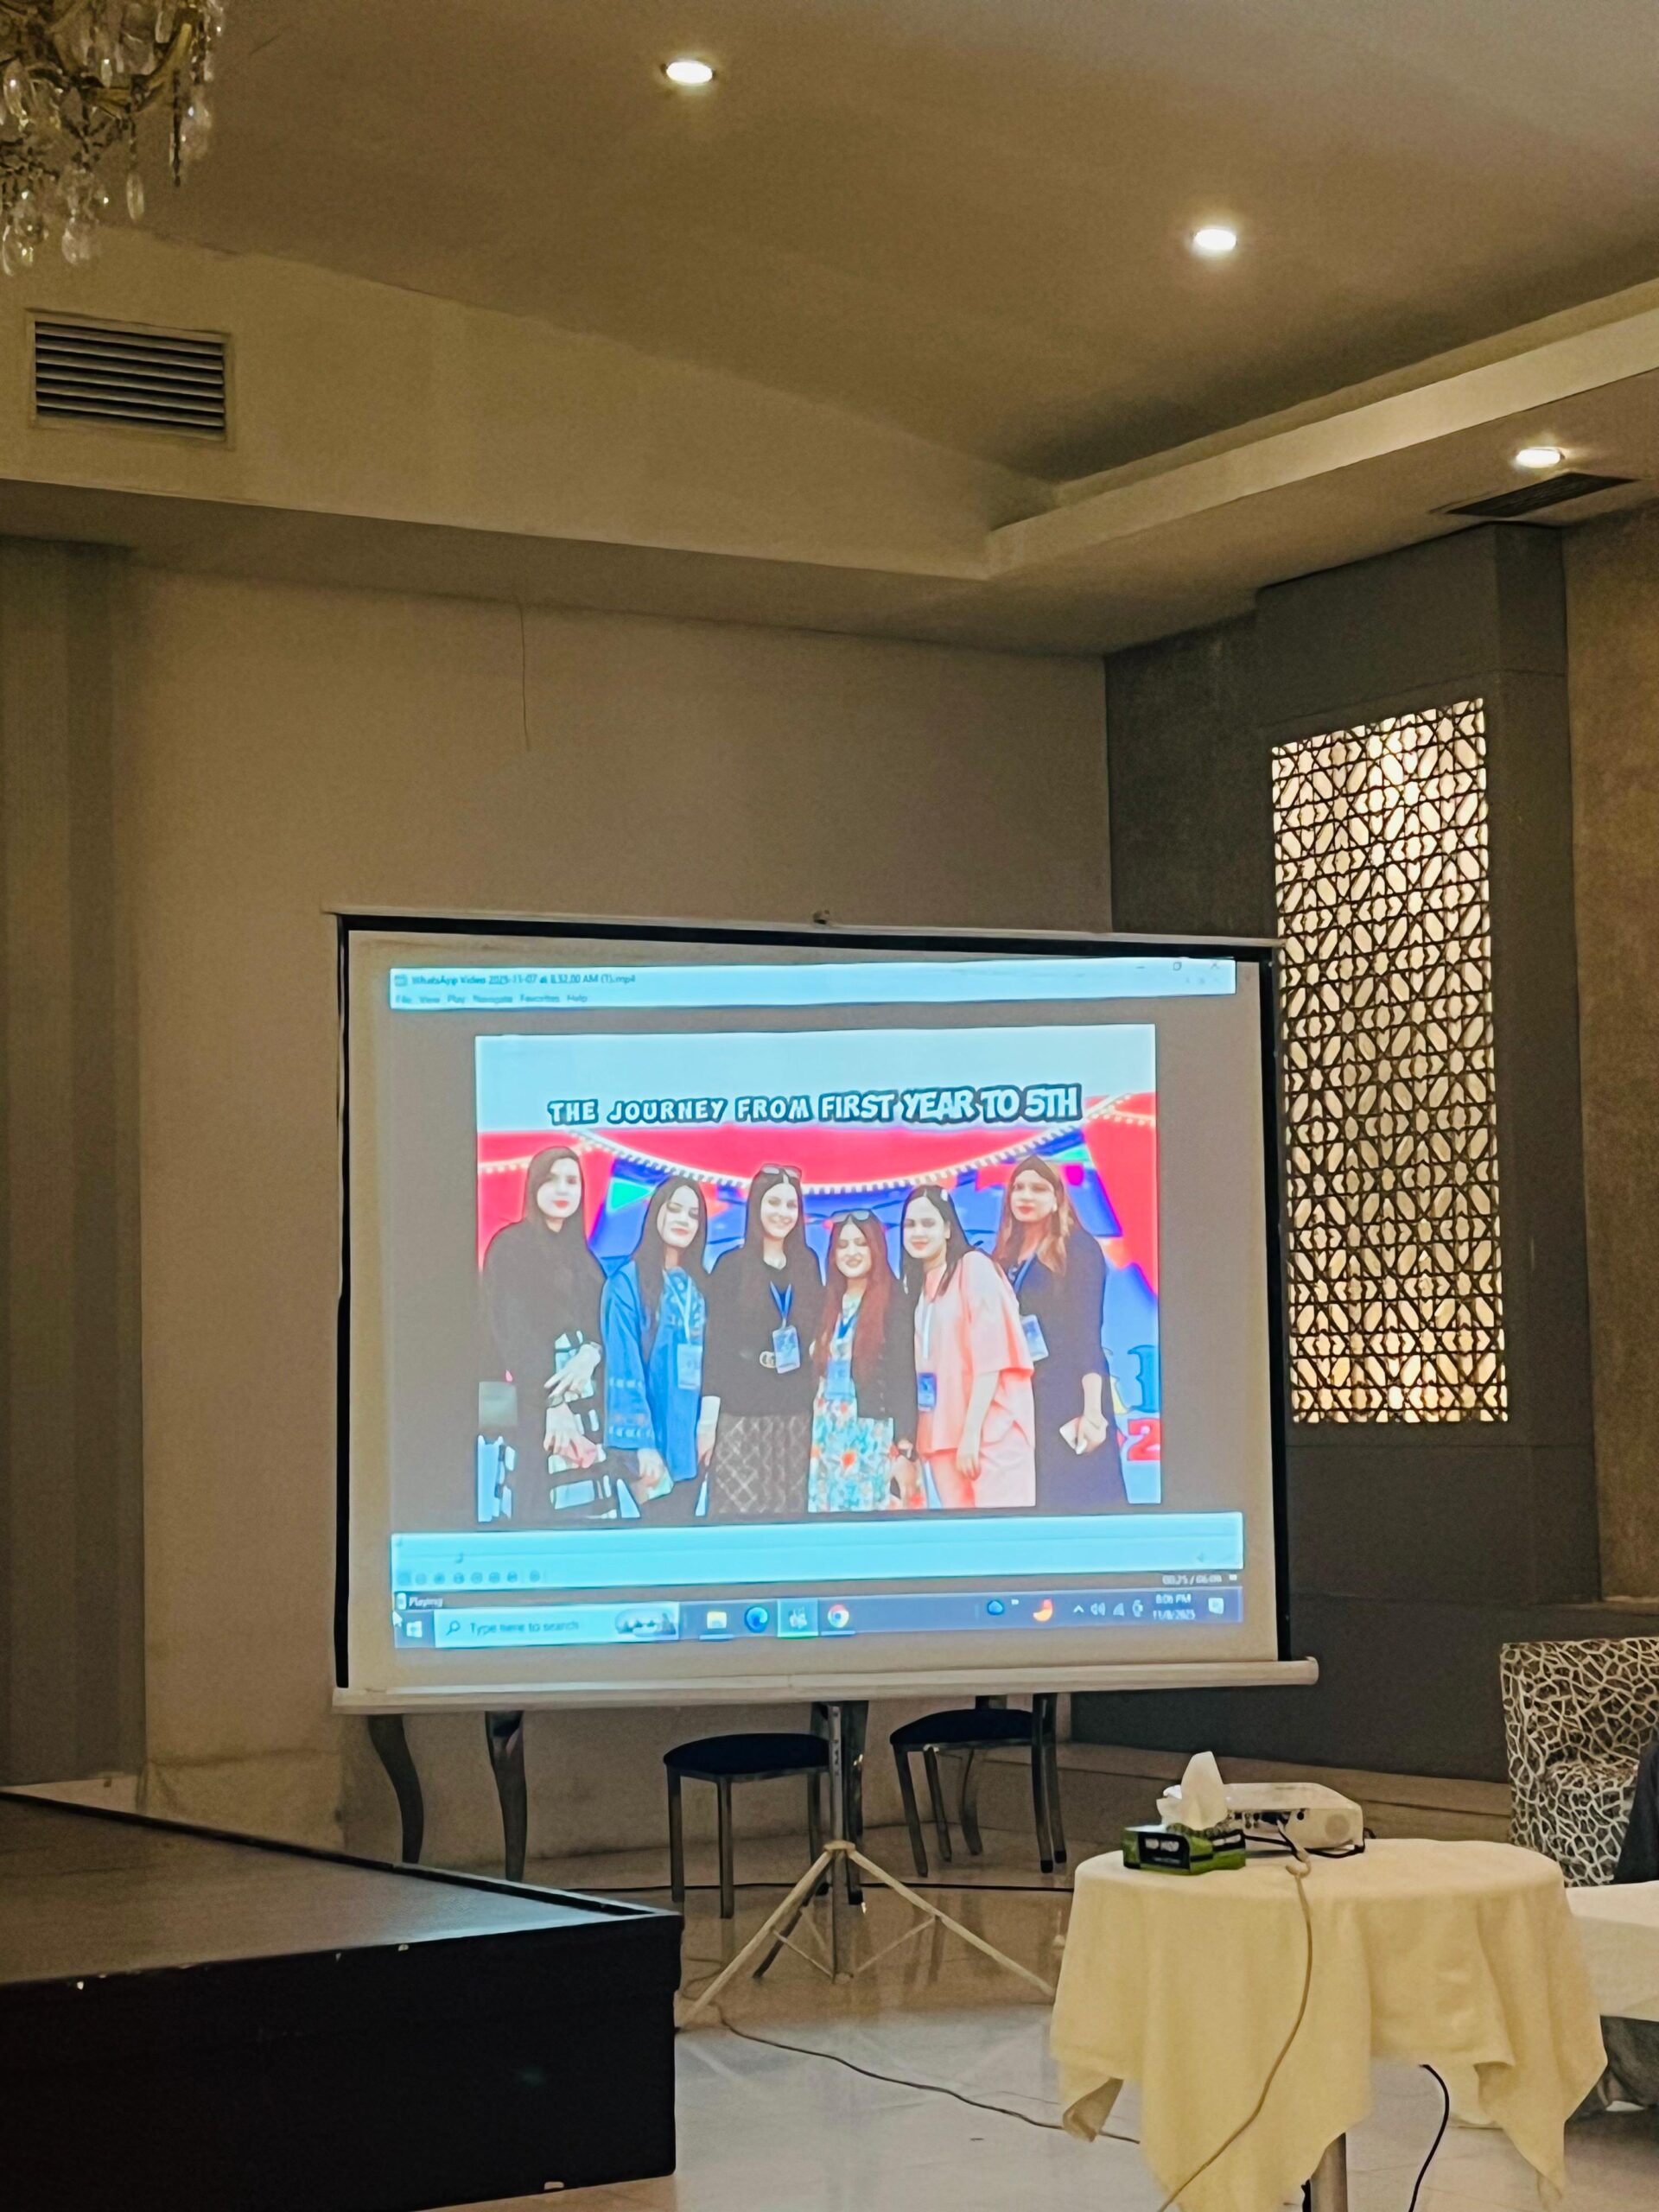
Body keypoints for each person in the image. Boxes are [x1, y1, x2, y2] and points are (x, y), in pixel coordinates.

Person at [993, 1154, 1128, 1511]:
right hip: (1025, 1397)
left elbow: (1088, 1334)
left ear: (1057, 1199)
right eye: (1019, 1188)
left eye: (1038, 1189)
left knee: (1080, 1500)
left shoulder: (1077, 1249)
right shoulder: (1005, 1254)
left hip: (1070, 1395)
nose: (1026, 1196)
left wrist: (1093, 1411)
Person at [479, 1146, 606, 1523]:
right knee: (536, 1512)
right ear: (534, 1186)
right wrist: (554, 1404)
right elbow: (515, 1334)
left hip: (585, 1409)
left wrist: (593, 1352)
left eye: (571, 1181)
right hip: (535, 1406)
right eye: (551, 1179)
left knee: (586, 1516)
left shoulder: (584, 1259)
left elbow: (600, 1326)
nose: (562, 1189)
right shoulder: (511, 1247)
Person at [901, 1184, 1035, 1510]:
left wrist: (972, 1434)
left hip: (991, 1433)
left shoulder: (974, 1267)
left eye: (928, 1223)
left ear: (948, 1229)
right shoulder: (917, 1287)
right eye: (910, 1225)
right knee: (961, 1534)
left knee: (1001, 1534)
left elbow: (993, 1358)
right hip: (942, 1437)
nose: (918, 1233)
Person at [702, 1165, 823, 1518]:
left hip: (794, 1414)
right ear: (756, 1206)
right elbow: (716, 1348)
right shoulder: (731, 1266)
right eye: (773, 1203)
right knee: (736, 1516)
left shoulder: (808, 1263)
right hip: (741, 1413)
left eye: (791, 1205)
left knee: (789, 1515)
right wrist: (707, 1422)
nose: (782, 1213)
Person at [601, 1176, 711, 1522]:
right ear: (656, 1213)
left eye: (693, 1215)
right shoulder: (626, 1283)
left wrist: (709, 1427)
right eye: (674, 1209)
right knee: (660, 1533)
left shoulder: (700, 1284)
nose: (683, 1220)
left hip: (693, 1444)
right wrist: (642, 1445)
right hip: (650, 1447)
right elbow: (624, 1365)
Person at [807, 1211, 918, 1514]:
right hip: (827, 1433)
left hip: (873, 1436)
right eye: (843, 1245)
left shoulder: (894, 1301)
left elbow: (903, 1376)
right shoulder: (827, 1302)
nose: (852, 1252)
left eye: (861, 1243)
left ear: (876, 1248)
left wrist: (905, 1448)